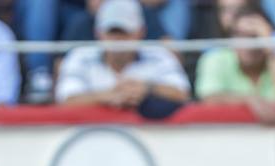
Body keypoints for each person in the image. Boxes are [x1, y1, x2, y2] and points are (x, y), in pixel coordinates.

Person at [21, 0, 192, 102]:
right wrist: (107, 96)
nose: (117, 40)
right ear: (99, 33)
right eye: (112, 31)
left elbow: (183, 93)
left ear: (140, 32)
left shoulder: (157, 55)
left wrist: (147, 89)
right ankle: (39, 74)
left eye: (124, 32)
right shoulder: (81, 55)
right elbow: (65, 98)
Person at [194, 6, 275, 118]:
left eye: (254, 36)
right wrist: (250, 100)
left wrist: (271, 52)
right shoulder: (214, 59)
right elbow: (209, 98)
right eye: (240, 35)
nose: (247, 44)